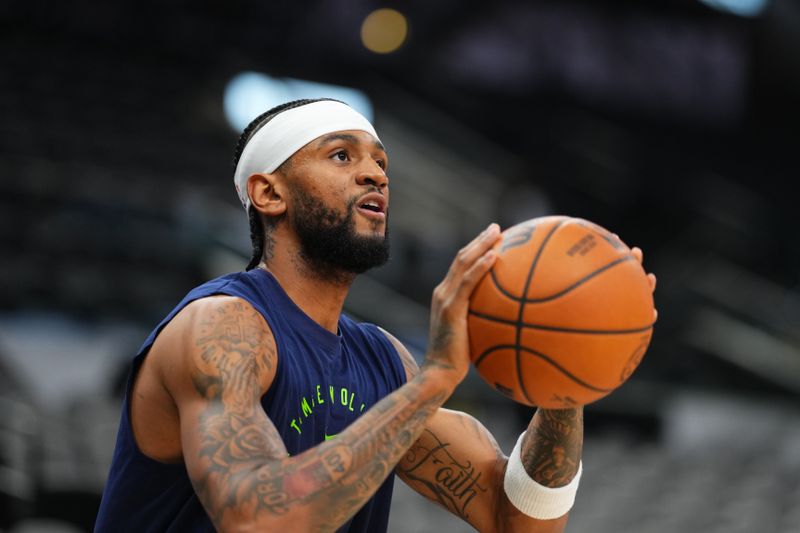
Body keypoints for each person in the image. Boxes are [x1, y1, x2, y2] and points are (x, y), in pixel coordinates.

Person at [95, 98, 654, 532]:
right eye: (342, 155)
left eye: (380, 162)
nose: (376, 175)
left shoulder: (381, 361)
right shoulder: (223, 326)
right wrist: (435, 379)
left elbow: (517, 521)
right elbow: (256, 520)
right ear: (269, 193)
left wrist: (570, 379)